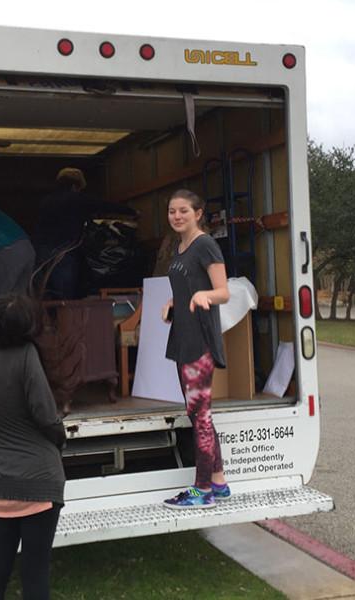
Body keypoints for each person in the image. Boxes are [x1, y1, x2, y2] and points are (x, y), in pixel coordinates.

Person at [0, 293, 66, 600]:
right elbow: (45, 415)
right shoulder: (26, 355)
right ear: (25, 329)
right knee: (35, 574)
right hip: (40, 481)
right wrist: (60, 437)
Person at [160, 189, 231, 509]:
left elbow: (223, 291)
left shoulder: (205, 245)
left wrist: (207, 298)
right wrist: (175, 302)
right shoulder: (180, 247)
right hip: (183, 337)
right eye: (172, 211)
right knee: (197, 413)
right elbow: (191, 285)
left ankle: (202, 491)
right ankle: (219, 483)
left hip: (200, 341)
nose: (177, 216)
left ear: (198, 213)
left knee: (200, 416)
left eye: (183, 211)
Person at [33, 167, 136, 299]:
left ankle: (47, 317)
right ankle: (66, 317)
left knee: (45, 290)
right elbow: (104, 205)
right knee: (65, 293)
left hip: (41, 251)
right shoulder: (76, 199)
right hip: (64, 251)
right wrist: (132, 212)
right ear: (75, 186)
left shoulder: (46, 201)